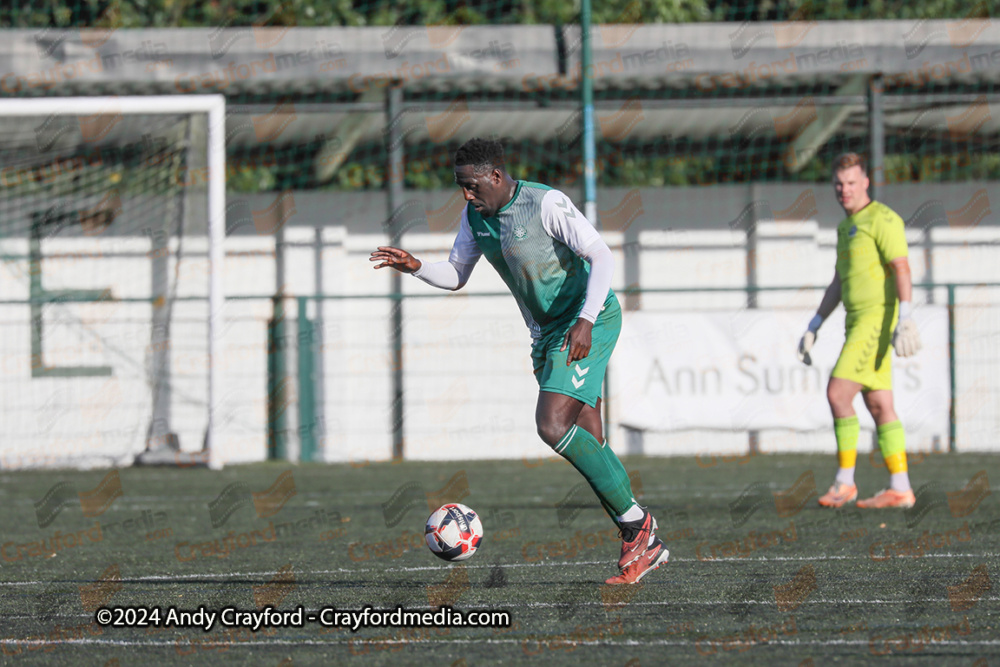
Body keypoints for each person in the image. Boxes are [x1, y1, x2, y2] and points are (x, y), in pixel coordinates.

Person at [370, 138, 666, 584]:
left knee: (551, 425)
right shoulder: (476, 217)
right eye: (459, 186)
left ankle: (638, 525)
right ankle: (643, 542)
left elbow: (601, 255)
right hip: (546, 335)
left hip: (590, 320)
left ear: (494, 176)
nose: (466, 195)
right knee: (589, 438)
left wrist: (585, 320)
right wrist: (414, 265)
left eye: (471, 185)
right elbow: (455, 274)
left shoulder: (545, 202)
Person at [797, 152, 922, 509]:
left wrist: (906, 317)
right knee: (880, 404)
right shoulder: (843, 227)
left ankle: (844, 482)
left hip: (875, 322)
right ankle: (900, 488)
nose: (844, 189)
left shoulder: (883, 218)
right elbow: (839, 280)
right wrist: (815, 324)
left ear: (866, 182)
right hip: (857, 321)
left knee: (838, 394)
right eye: (839, 183)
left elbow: (901, 266)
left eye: (851, 182)